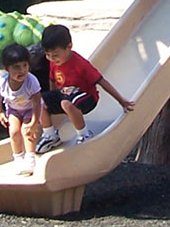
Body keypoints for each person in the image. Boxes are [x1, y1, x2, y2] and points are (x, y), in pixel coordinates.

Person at [34, 24, 134, 152]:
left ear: (69, 46)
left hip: (87, 97)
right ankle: (50, 135)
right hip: (66, 96)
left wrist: (121, 100)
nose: (52, 59)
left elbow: (102, 81)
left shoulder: (80, 64)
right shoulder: (54, 62)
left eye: (55, 55)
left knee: (66, 103)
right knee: (39, 100)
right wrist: (51, 100)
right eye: (48, 55)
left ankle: (84, 134)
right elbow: (52, 80)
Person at [0, 43, 42, 175]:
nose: (22, 70)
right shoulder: (1, 82)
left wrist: (34, 122)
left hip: (30, 109)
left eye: (25, 65)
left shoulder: (31, 82)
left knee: (27, 131)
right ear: (6, 68)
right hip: (14, 110)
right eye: (16, 67)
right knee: (14, 132)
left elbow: (37, 103)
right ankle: (18, 158)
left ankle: (31, 158)